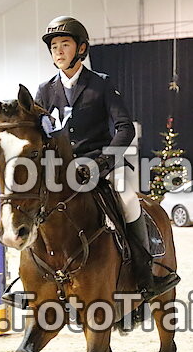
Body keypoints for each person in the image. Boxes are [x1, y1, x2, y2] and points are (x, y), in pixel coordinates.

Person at [11, 15, 179, 304]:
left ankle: (144, 273)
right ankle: (29, 278)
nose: (58, 51)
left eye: (65, 44)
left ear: (81, 49)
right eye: (54, 47)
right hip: (61, 170)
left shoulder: (100, 84)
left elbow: (124, 128)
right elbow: (41, 132)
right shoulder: (45, 90)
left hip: (101, 164)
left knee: (128, 200)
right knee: (31, 204)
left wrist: (103, 163)